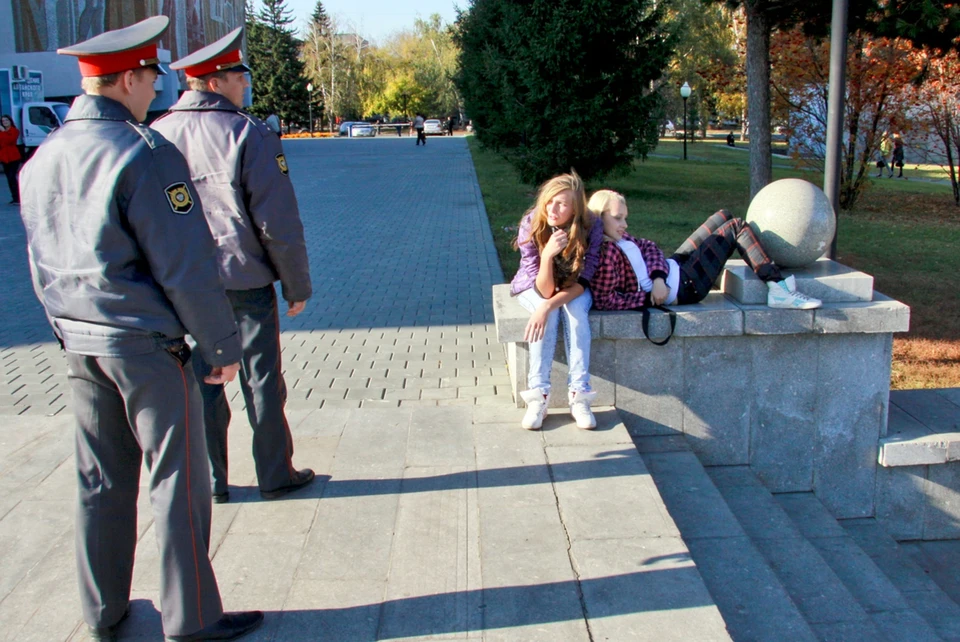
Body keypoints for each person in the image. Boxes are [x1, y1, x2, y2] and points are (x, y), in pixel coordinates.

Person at [19, 16, 263, 642]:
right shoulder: (145, 152)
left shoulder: (43, 157)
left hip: (80, 341)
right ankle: (192, 618)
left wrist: (64, 330)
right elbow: (185, 265)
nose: (157, 88)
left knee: (99, 481)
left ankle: (103, 613)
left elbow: (39, 261)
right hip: (147, 348)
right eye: (152, 75)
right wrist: (219, 346)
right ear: (128, 77)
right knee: (177, 482)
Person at [152, 27, 315, 506]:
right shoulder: (249, 133)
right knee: (261, 380)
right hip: (243, 278)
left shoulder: (156, 134)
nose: (246, 85)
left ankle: (211, 481)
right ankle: (274, 474)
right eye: (240, 76)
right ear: (216, 80)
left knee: (201, 381)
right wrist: (296, 284)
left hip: (184, 285)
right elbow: (276, 220)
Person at [587, 190, 822, 312]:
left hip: (672, 268)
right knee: (736, 227)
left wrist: (658, 277)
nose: (625, 224)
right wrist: (652, 296)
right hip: (686, 286)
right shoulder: (605, 255)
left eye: (625, 218)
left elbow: (648, 247)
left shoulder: (619, 236)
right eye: (618, 218)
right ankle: (778, 289)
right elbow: (606, 301)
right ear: (598, 218)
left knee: (724, 216)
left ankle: (766, 268)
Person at [511, 171, 603, 430]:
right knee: (548, 315)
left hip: (574, 287)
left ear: (575, 209)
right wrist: (548, 255)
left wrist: (548, 305)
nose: (553, 208)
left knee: (575, 313)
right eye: (550, 200)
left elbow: (584, 281)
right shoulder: (532, 222)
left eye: (562, 203)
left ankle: (579, 396)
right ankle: (538, 397)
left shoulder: (590, 225)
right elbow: (543, 291)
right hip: (535, 284)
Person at [0, 115, 21, 204]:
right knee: (9, 178)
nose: (5, 122)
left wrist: (4, 132)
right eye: (3, 121)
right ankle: (15, 197)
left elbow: (9, 140)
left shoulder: (14, 130)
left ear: (10, 121)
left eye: (6, 120)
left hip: (13, 157)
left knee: (12, 177)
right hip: (4, 157)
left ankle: (18, 197)